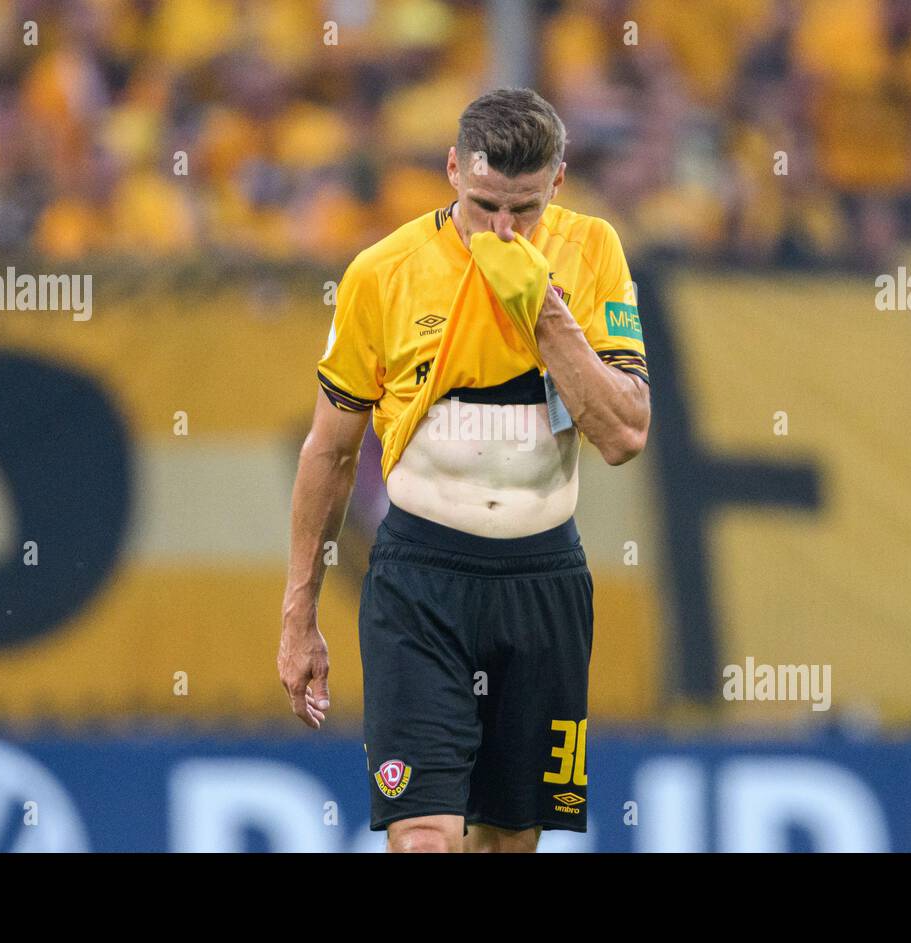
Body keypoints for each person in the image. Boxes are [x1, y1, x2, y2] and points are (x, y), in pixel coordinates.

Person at [277, 87, 650, 853]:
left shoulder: (593, 252)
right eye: (484, 206)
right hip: (423, 579)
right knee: (425, 837)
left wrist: (546, 312)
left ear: (558, 182)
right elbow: (330, 451)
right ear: (452, 169)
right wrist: (298, 616)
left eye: (524, 208)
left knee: (509, 840)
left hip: (541, 578)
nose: (504, 229)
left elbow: (623, 433)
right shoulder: (383, 273)